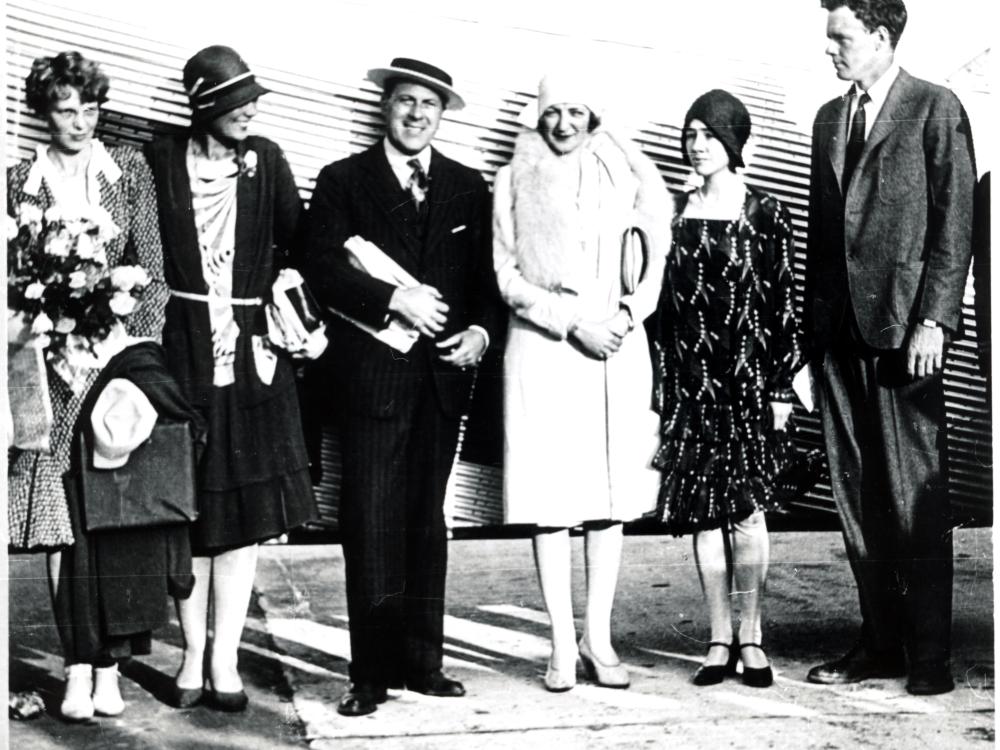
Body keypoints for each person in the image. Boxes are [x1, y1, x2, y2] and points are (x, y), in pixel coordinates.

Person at [302, 58, 501, 717]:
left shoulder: (469, 188)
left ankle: (423, 664)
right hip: (373, 383)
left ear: (443, 115)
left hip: (442, 382)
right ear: (384, 107)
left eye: (430, 105)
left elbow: (487, 286)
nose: (418, 114)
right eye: (406, 101)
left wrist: (478, 333)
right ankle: (371, 674)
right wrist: (395, 297)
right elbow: (321, 269)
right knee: (369, 522)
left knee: (426, 522)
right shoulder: (343, 181)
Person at [805, 0, 975, 695]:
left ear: (880, 37)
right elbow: (822, 239)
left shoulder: (936, 108)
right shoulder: (828, 117)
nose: (830, 51)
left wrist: (934, 320)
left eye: (840, 38)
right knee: (855, 494)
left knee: (915, 499)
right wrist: (807, 347)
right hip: (839, 338)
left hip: (905, 336)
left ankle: (928, 654)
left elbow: (955, 217)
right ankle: (879, 644)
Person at [144, 45, 320, 712]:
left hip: (252, 359)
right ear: (202, 105)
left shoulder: (267, 160)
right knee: (192, 511)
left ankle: (224, 662)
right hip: (180, 351)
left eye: (252, 99)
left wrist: (285, 291)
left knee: (242, 520)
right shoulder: (159, 163)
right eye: (234, 99)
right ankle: (190, 658)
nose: (249, 110)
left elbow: (298, 244)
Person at [7, 51, 178, 720]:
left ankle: (109, 665)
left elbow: (152, 272)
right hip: (44, 372)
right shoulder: (18, 179)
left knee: (113, 521)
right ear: (43, 113)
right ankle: (76, 664)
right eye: (65, 109)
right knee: (62, 523)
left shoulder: (128, 171)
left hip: (112, 369)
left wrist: (123, 349)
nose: (80, 121)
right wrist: (40, 333)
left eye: (90, 108)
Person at [492, 72, 668, 692]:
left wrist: (625, 316)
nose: (563, 123)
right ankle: (561, 647)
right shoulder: (514, 178)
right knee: (552, 499)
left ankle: (599, 637)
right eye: (552, 112)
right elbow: (507, 278)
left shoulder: (621, 172)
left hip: (616, 346)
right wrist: (573, 323)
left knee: (609, 495)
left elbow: (654, 247)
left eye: (575, 111)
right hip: (546, 346)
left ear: (594, 114)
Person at [652, 90, 801, 689]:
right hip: (694, 385)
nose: (697, 145)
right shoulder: (673, 212)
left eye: (709, 135)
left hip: (747, 384)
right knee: (705, 515)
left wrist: (782, 389)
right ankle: (718, 639)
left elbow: (783, 303)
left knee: (745, 513)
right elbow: (662, 313)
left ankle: (753, 637)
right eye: (690, 134)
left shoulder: (766, 212)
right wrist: (664, 387)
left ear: (733, 141)